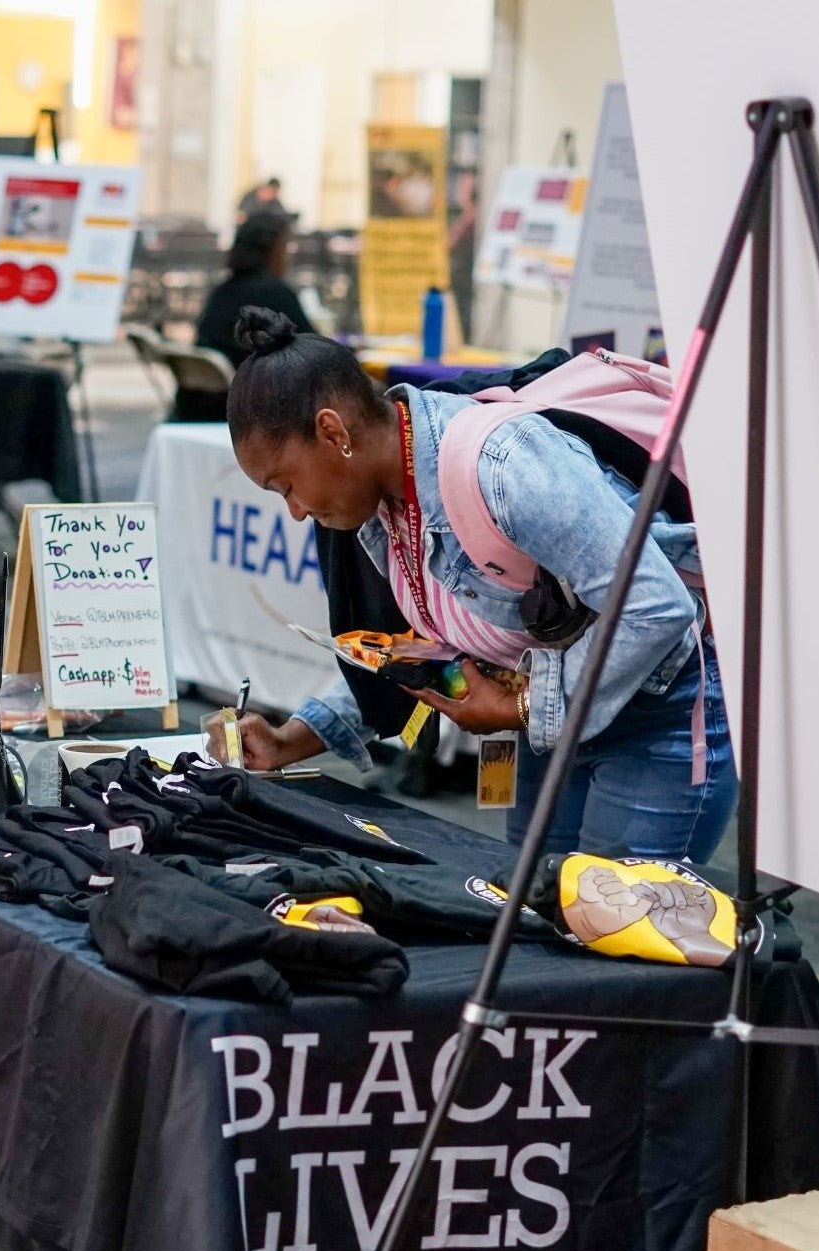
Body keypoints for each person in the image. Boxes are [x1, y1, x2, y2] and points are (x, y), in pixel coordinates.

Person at [206, 309, 736, 862]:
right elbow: (419, 650)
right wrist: (296, 737)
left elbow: (655, 607)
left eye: (286, 485)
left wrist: (529, 703)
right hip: (556, 729)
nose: (295, 512)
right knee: (541, 919)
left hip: (661, 718)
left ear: (332, 431)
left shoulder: (503, 468)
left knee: (617, 931)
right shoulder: (385, 501)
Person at [195, 215, 313, 369]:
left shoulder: (221, 291)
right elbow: (314, 349)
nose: (289, 256)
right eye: (286, 246)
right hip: (252, 388)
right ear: (274, 250)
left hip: (209, 391)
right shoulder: (276, 294)